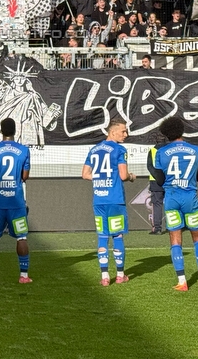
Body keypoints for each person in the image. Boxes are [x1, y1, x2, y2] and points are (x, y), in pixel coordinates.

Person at [151, 116, 198, 291]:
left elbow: (159, 178)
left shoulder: (161, 153)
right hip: (190, 198)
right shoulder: (196, 150)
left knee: (175, 238)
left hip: (171, 199)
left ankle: (182, 282)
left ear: (166, 134)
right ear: (182, 130)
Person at [82, 119, 135, 286]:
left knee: (102, 236)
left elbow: (85, 174)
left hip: (99, 199)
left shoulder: (94, 149)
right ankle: (120, 275)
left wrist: (99, 178)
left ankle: (105, 276)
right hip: (115, 199)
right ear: (113, 132)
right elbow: (123, 176)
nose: (126, 134)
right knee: (117, 235)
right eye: (124, 131)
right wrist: (132, 177)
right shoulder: (119, 149)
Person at [0, 118, 32, 285]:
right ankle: (24, 276)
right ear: (15, 131)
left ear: (1, 131)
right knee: (21, 238)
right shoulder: (24, 150)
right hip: (16, 203)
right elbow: (24, 177)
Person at [146, 135, 168, 234]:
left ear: (156, 140)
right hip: (169, 180)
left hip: (156, 181)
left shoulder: (152, 151)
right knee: (171, 204)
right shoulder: (169, 150)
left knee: (157, 204)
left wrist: (158, 178)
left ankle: (157, 228)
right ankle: (174, 227)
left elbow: (150, 166)